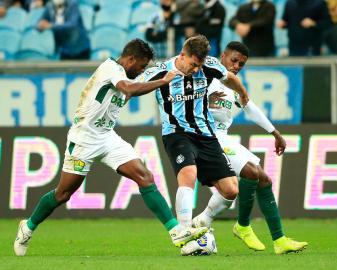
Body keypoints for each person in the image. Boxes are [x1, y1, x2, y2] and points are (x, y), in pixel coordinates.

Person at [13, 39, 208, 257]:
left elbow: (135, 85)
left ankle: (176, 231)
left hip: (106, 136)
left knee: (145, 177)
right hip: (84, 139)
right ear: (131, 59)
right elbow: (128, 89)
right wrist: (164, 81)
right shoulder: (111, 69)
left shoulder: (125, 74)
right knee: (63, 193)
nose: (141, 70)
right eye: (141, 66)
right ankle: (28, 226)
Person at [187, 41, 308, 255]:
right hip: (205, 137)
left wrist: (275, 133)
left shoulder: (234, 88)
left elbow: (250, 108)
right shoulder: (207, 73)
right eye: (234, 60)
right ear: (223, 56)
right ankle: (242, 225)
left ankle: (279, 240)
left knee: (264, 179)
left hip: (222, 138)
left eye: (241, 64)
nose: (236, 66)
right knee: (251, 173)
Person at [135, 35, 249, 256]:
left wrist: (243, 92)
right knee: (188, 174)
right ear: (182, 55)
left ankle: (201, 222)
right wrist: (160, 82)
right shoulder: (161, 70)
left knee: (231, 189)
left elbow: (229, 78)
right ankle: (185, 234)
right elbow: (134, 86)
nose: (196, 69)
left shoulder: (210, 65)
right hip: (176, 133)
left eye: (200, 65)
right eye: (193, 64)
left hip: (205, 134)